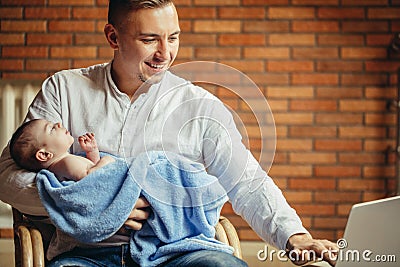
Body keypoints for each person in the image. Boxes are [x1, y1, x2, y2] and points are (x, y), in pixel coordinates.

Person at [0, 0, 338, 266]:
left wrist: (295, 236)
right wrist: (96, 203)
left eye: (173, 37)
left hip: (180, 253)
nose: (165, 54)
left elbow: (247, 181)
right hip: (86, 254)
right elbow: (6, 176)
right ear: (113, 37)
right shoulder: (64, 89)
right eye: (149, 40)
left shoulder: (199, 106)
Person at [9, 119, 115, 181]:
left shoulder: (65, 160)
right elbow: (90, 178)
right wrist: (106, 161)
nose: (59, 124)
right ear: (44, 154)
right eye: (52, 129)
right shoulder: (66, 163)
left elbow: (91, 166)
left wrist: (91, 151)